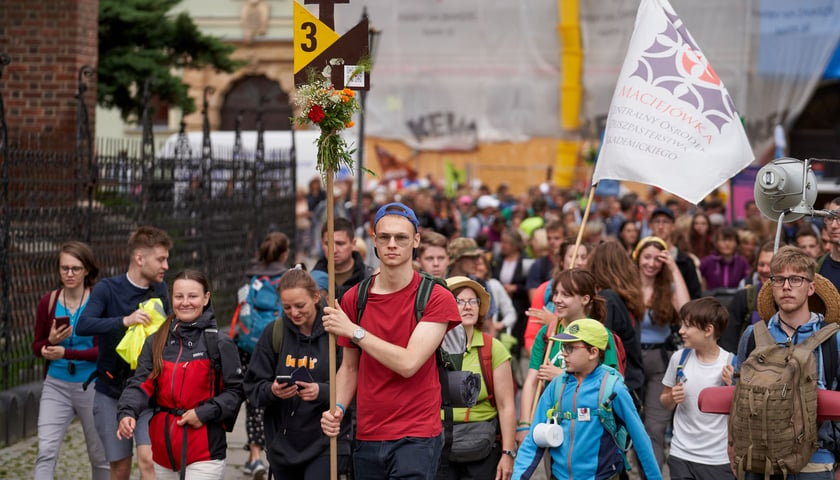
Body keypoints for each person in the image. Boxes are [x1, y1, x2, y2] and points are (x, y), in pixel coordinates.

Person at [320, 202, 461, 479]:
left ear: (416, 240)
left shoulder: (436, 297)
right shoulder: (354, 299)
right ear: (373, 240)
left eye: (401, 238)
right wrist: (336, 408)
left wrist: (354, 332)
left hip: (417, 435)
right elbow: (349, 369)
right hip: (368, 433)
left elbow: (409, 363)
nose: (392, 244)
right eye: (384, 237)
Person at [116, 270, 244, 479]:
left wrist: (203, 413)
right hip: (163, 450)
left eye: (192, 296)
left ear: (206, 298)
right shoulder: (156, 341)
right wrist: (127, 412)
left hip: (205, 451)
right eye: (179, 296)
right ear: (171, 298)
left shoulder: (220, 343)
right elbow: (140, 384)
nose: (185, 302)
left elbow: (236, 392)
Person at [735, 245, 840, 479]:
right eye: (779, 279)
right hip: (760, 461)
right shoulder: (752, 335)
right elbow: (737, 395)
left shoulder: (834, 339)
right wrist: (734, 448)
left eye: (795, 279)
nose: (786, 287)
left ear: (811, 287)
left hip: (817, 458)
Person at [77, 225, 173, 480]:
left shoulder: (161, 291)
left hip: (147, 392)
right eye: (161, 259)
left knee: (149, 461)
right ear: (140, 258)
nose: (165, 265)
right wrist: (124, 321)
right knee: (120, 469)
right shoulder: (107, 289)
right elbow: (83, 324)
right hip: (111, 392)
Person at [513, 318, 662, 480]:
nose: (563, 353)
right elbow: (533, 440)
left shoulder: (613, 388)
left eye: (571, 348)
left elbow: (641, 440)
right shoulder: (556, 386)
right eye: (563, 347)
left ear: (593, 353)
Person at [243, 268, 351, 479]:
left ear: (316, 297)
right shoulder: (275, 332)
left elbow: (353, 381)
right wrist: (273, 390)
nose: (294, 312)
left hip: (326, 442)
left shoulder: (335, 332)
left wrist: (321, 391)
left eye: (300, 306)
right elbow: (252, 388)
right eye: (287, 307)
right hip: (284, 445)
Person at [31, 241, 109, 480]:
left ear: (87, 269)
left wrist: (66, 353)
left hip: (93, 385)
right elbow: (36, 347)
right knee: (45, 450)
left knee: (100, 456)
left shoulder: (99, 300)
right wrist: (50, 342)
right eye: (64, 268)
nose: (69, 274)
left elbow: (103, 351)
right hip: (56, 384)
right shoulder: (49, 302)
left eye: (75, 268)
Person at [516, 269, 609, 446]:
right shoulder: (547, 333)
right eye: (556, 293)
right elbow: (531, 381)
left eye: (565, 294)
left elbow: (611, 387)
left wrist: (561, 376)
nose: (557, 299)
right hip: (553, 427)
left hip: (591, 429)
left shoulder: (601, 335)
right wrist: (524, 425)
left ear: (585, 299)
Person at [438, 276, 516, 480]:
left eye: (473, 301)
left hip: (482, 448)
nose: (468, 307)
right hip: (439, 446)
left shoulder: (493, 348)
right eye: (459, 301)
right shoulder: (431, 348)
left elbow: (506, 405)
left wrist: (508, 453)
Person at [660, 297, 735, 480]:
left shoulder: (730, 363)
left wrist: (732, 386)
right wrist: (671, 398)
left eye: (687, 326)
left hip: (717, 459)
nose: (681, 331)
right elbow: (664, 400)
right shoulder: (679, 359)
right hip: (681, 455)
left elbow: (742, 412)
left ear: (708, 330)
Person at [633, 235, 690, 468]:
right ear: (637, 258)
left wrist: (673, 267)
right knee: (632, 422)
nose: (651, 263)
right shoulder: (628, 285)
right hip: (632, 358)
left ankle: (652, 473)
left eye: (658, 259)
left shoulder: (667, 287)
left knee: (655, 427)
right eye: (647, 257)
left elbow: (687, 309)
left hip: (660, 360)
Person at [237, 232, 290, 478]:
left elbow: (241, 313)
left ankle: (255, 455)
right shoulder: (288, 279)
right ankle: (276, 448)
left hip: (249, 346)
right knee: (281, 395)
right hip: (278, 344)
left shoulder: (251, 278)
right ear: (285, 253)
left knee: (254, 398)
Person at [586, 241, 645, 395]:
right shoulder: (628, 298)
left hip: (616, 385)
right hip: (632, 380)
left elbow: (600, 342)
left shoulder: (608, 298)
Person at [523, 239, 589, 353]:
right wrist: (538, 365)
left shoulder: (594, 292)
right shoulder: (544, 290)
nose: (579, 262)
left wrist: (554, 323)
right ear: (562, 261)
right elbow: (531, 336)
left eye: (583, 257)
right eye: (573, 256)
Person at [721, 241, 774, 352]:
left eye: (770, 265)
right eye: (761, 264)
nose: (764, 270)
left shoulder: (791, 301)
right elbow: (729, 342)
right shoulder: (744, 297)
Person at [312, 217, 374, 301]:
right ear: (322, 244)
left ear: (353, 244)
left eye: (340, 243)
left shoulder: (369, 279)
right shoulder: (311, 281)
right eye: (328, 244)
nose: (333, 250)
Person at [648, 206, 703, 299]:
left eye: (665, 222)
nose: (661, 226)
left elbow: (695, 295)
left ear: (673, 226)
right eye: (657, 221)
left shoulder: (685, 261)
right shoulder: (641, 258)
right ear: (651, 226)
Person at [699, 226, 752, 291]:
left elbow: (747, 285)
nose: (727, 244)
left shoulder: (742, 262)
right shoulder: (707, 262)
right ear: (716, 243)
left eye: (730, 240)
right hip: (712, 298)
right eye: (723, 240)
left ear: (736, 243)